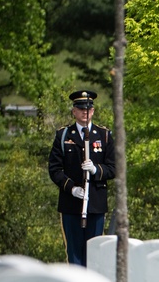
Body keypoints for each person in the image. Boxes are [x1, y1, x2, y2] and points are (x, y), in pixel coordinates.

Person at [49, 90, 115, 266]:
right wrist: (71, 188)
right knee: (74, 254)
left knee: (94, 254)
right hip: (71, 203)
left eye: (88, 109)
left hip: (95, 203)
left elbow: (113, 168)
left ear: (93, 111)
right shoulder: (63, 136)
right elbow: (55, 169)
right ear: (74, 111)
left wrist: (96, 170)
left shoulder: (104, 135)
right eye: (81, 109)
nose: (85, 112)